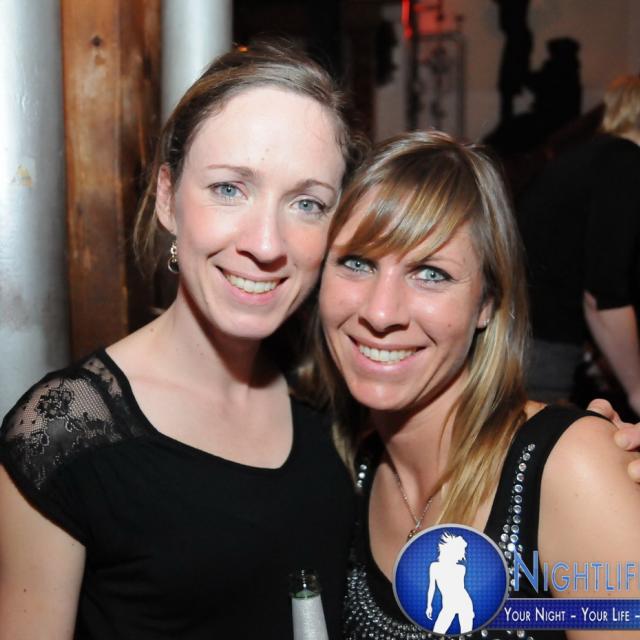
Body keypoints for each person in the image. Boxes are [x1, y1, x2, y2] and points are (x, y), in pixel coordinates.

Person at [0, 41, 366, 639]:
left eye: (307, 203)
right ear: (168, 198)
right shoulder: (64, 432)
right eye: (230, 189)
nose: (266, 244)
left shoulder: (334, 399)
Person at [313, 131, 640, 639]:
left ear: (487, 303)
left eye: (431, 273)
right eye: (357, 263)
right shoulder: (346, 472)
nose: (380, 312)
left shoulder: (568, 467)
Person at [518, 75, 640, 411]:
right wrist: (637, 388)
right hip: (541, 347)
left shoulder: (595, 157)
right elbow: (603, 295)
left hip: (525, 335)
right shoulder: (625, 163)